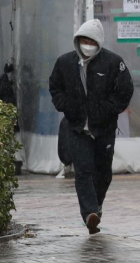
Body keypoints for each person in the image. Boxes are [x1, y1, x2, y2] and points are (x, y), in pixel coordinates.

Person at [48, 19, 134, 235]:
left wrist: (107, 109)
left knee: (103, 173)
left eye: (91, 40)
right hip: (77, 127)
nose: (87, 44)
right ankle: (89, 214)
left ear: (99, 42)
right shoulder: (65, 62)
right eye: (83, 40)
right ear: (77, 41)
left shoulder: (113, 63)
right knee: (84, 172)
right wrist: (66, 105)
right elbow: (55, 86)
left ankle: (97, 205)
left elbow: (125, 90)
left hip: (104, 128)